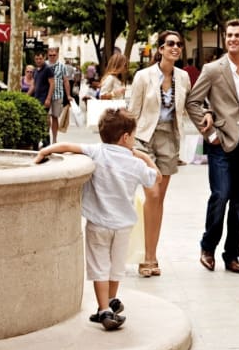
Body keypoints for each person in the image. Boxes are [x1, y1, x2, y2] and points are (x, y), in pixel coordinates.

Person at [35, 108, 160, 330]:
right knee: (116, 266)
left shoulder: (97, 151)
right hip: (123, 226)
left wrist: (44, 151)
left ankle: (104, 308)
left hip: (98, 223)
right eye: (134, 135)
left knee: (99, 266)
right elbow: (155, 178)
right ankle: (108, 305)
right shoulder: (135, 163)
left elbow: (67, 146)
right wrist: (145, 157)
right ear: (125, 137)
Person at [186, 19, 239, 275]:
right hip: (221, 143)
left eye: (237, 35)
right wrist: (210, 133)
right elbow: (193, 102)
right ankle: (208, 246)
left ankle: (232, 255)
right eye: (229, 35)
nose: (232, 39)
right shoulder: (212, 69)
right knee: (220, 196)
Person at [128, 31, 191, 278]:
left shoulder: (183, 77)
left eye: (179, 44)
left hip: (169, 139)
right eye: (170, 44)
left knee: (158, 200)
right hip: (144, 138)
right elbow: (132, 111)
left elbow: (190, 106)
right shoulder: (143, 77)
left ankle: (151, 255)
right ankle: (146, 257)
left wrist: (207, 116)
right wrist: (127, 145)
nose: (175, 47)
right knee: (152, 192)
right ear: (161, 49)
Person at [28, 49, 54, 145]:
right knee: (37, 120)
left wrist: (48, 98)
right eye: (36, 59)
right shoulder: (35, 70)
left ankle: (46, 141)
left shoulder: (48, 69)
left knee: (43, 120)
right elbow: (34, 85)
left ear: (44, 58)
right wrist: (26, 96)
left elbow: (52, 84)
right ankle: (37, 141)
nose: (38, 60)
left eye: (40, 58)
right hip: (36, 99)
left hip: (44, 99)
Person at [46, 46, 70, 143]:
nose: (52, 57)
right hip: (46, 95)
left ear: (57, 55)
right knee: (46, 117)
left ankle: (54, 139)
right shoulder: (45, 65)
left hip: (58, 94)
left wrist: (68, 95)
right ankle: (46, 138)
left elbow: (66, 81)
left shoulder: (62, 66)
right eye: (50, 55)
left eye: (54, 55)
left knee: (55, 117)